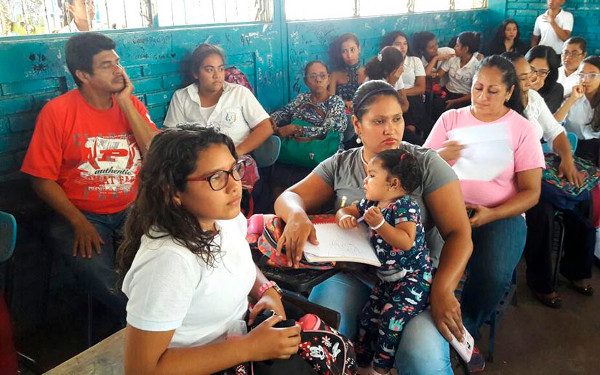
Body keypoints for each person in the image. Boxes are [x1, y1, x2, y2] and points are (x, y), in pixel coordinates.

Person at [274, 80, 474, 374]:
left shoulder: (424, 164)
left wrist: (443, 290)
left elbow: (459, 234)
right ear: (357, 124)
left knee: (423, 358)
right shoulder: (341, 165)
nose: (390, 129)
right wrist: (296, 215)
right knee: (324, 332)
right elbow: (289, 197)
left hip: (414, 282)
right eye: (378, 121)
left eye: (397, 119)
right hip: (355, 276)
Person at [118, 128, 302, 374]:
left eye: (235, 169)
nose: (235, 186)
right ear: (173, 192)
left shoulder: (224, 218)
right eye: (216, 177)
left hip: (240, 340)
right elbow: (142, 369)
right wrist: (249, 348)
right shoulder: (169, 262)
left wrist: (266, 291)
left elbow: (238, 262)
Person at [20, 32, 158, 317]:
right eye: (107, 65)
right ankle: (145, 325)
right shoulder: (57, 113)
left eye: (118, 62)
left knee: (165, 261)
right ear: (83, 74)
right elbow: (40, 179)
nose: (118, 69)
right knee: (105, 280)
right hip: (81, 214)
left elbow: (156, 155)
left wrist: (126, 105)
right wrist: (78, 222)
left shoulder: (130, 105)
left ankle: (151, 321)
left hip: (133, 210)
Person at [424, 55, 544, 346]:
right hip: (446, 210)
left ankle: (466, 331)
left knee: (492, 274)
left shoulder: (521, 129)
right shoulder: (450, 119)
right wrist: (439, 156)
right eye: (478, 88)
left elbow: (531, 192)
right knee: (415, 257)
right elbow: (419, 167)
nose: (482, 96)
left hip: (500, 215)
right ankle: (420, 320)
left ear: (509, 92)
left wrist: (491, 213)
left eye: (492, 90)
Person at [505, 52, 593, 308]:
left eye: (530, 73)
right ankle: (540, 281)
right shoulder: (503, 106)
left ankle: (575, 269)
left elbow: (555, 131)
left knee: (582, 196)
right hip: (515, 177)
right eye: (522, 76)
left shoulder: (532, 98)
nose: (530, 79)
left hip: (541, 170)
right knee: (541, 212)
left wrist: (567, 159)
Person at [336, 149, 432, 375]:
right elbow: (345, 209)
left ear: (393, 183)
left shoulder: (406, 207)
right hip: (386, 279)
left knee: (391, 320)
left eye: (371, 175)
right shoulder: (372, 203)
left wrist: (380, 225)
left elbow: (406, 241)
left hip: (412, 278)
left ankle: (381, 370)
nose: (365, 181)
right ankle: (361, 363)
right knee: (368, 318)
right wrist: (345, 217)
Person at [164, 44, 273, 156]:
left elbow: (265, 127)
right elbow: (171, 136)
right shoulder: (182, 97)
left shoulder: (239, 93)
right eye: (209, 70)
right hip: (198, 165)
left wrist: (235, 153)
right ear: (196, 73)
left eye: (221, 69)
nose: (217, 75)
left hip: (237, 161)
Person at [270, 60, 347, 194]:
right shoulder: (302, 98)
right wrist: (268, 120)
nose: (318, 80)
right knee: (277, 185)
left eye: (322, 76)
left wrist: (297, 129)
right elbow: (284, 112)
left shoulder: (335, 102)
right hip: (295, 153)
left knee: (303, 192)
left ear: (328, 79)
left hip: (323, 156)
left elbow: (328, 131)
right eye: (313, 76)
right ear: (306, 81)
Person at [381, 31, 433, 138]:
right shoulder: (383, 64)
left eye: (405, 43)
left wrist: (400, 92)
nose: (403, 47)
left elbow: (421, 88)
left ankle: (410, 135)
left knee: (410, 109)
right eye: (397, 44)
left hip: (412, 98)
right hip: (392, 99)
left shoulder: (414, 61)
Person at [555, 56, 600, 167]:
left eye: (592, 75)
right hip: (572, 146)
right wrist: (572, 100)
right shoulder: (571, 97)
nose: (585, 80)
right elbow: (553, 123)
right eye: (581, 75)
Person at [364, 47, 415, 144]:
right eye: (400, 66)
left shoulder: (396, 77)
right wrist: (391, 83)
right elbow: (381, 113)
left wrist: (394, 114)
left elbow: (405, 105)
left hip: (394, 122)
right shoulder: (372, 82)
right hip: (379, 127)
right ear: (392, 69)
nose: (402, 70)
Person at [436, 31, 481, 113]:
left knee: (452, 112)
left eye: (457, 45)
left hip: (464, 98)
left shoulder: (476, 67)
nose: (454, 48)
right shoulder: (452, 58)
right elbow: (437, 75)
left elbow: (476, 92)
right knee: (436, 107)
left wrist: (455, 101)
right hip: (448, 92)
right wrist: (435, 58)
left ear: (465, 49)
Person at [328, 33, 367, 110]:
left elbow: (374, 100)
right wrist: (344, 103)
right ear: (340, 54)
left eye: (352, 49)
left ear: (359, 49)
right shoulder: (335, 75)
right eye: (344, 51)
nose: (349, 55)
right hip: (340, 116)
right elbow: (330, 101)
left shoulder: (368, 73)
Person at [525, 45, 564, 112]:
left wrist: (532, 92)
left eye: (542, 72)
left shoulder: (556, 89)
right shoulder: (515, 82)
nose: (534, 75)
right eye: (531, 69)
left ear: (550, 73)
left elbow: (541, 118)